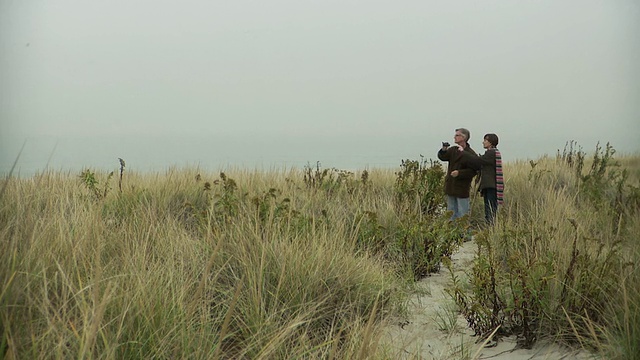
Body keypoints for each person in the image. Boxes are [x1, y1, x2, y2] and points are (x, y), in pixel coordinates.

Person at [462, 133, 504, 225]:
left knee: (490, 209)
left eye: (485, 140)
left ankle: (490, 229)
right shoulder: (494, 152)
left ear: (491, 142)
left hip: (491, 186)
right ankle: (491, 228)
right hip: (491, 185)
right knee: (490, 208)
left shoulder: (491, 153)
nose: (483, 142)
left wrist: (464, 152)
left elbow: (478, 160)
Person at [437, 128, 478, 220]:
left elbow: (473, 171)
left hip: (462, 188)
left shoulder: (470, 153)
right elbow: (443, 157)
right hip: (451, 186)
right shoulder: (453, 150)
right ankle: (451, 233)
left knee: (463, 214)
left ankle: (465, 234)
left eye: (457, 135)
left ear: (463, 137)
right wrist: (443, 150)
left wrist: (459, 173)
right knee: (451, 213)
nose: (454, 137)